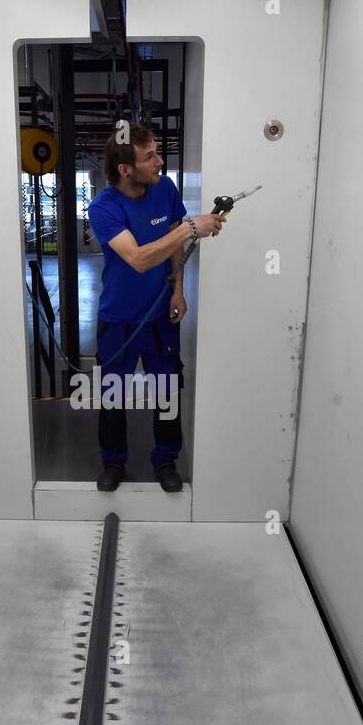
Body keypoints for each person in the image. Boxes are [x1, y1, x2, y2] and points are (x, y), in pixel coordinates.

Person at [86, 123, 226, 492]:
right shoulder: (103, 208)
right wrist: (190, 228)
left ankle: (165, 460)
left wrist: (178, 289)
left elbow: (174, 243)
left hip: (161, 315)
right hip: (119, 318)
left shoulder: (164, 188)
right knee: (112, 393)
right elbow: (139, 259)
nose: (160, 161)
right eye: (150, 156)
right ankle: (113, 462)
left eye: (157, 152)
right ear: (125, 170)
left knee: (167, 390)